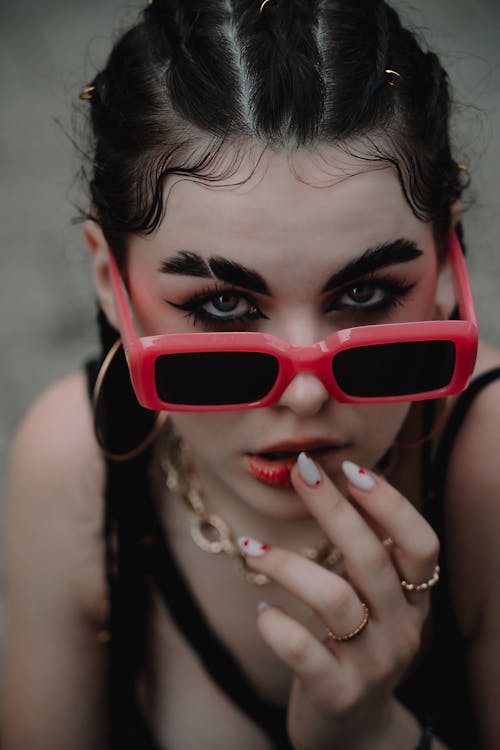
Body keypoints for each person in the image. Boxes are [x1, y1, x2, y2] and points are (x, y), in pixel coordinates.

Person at [3, 0, 500, 748]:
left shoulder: (489, 465)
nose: (305, 393)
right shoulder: (71, 468)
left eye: (364, 294)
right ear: (110, 279)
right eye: (223, 303)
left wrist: (372, 736)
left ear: (446, 273)